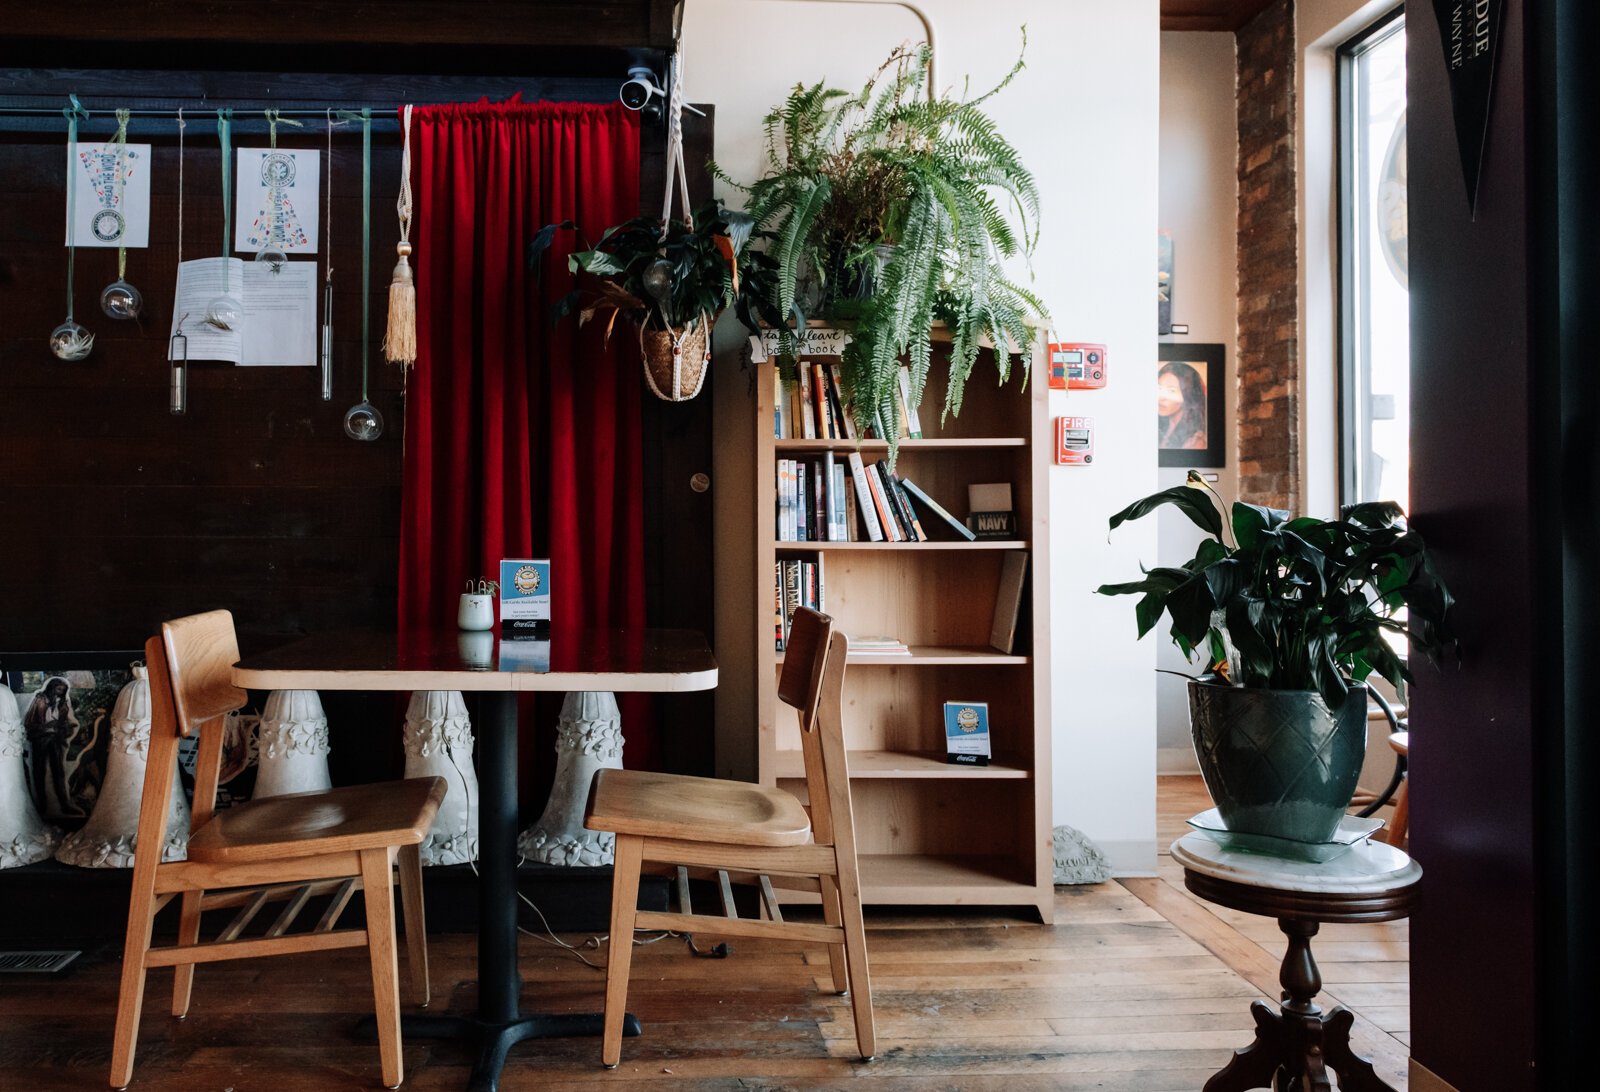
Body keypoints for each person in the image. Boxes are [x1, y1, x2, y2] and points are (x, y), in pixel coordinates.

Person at [23, 676, 82, 817]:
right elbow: (29, 723)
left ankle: (65, 804)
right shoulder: (40, 699)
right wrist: (46, 727)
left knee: (59, 771)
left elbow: (64, 722)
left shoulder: (63, 703)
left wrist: (63, 729)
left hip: (55, 739)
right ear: (51, 687)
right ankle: (41, 804)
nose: (60, 692)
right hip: (40, 739)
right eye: (58, 688)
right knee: (39, 771)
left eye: (63, 690)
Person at [1158, 360, 1208, 450]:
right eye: (1159, 388)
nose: (1161, 398)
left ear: (1187, 394)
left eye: (1171, 391)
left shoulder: (1196, 440)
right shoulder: (1159, 425)